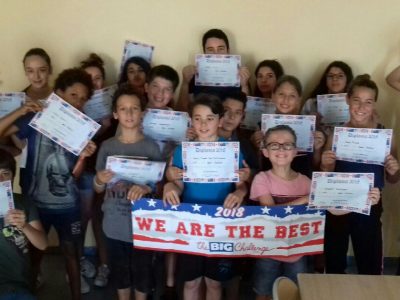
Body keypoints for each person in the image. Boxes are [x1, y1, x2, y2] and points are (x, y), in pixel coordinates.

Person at [0, 68, 97, 299]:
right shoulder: (37, 117)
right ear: (58, 93)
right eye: (73, 95)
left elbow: (74, 175)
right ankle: (29, 293)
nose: (78, 102)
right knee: (33, 256)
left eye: (83, 98)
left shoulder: (84, 128)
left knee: (72, 254)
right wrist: (21, 110)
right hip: (35, 203)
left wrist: (83, 157)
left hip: (68, 205)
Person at [164, 94, 247, 300]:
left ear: (220, 121)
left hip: (221, 224)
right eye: (198, 118)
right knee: (191, 282)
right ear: (191, 120)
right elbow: (179, 185)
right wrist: (170, 186)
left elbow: (242, 186)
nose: (203, 124)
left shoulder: (231, 151)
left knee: (214, 282)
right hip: (191, 224)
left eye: (210, 118)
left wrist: (239, 191)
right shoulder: (183, 150)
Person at [320, 74, 399, 275]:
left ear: (374, 105)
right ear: (347, 100)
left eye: (368, 102)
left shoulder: (384, 136)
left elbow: (392, 179)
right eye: (357, 100)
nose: (362, 107)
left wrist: (393, 170)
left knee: (370, 265)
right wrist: (325, 165)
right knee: (335, 263)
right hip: (338, 206)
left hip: (370, 206)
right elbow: (326, 177)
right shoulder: (336, 134)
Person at [94, 83, 162, 300]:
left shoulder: (151, 147)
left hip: (143, 225)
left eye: (134, 108)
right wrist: (98, 179)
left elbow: (158, 187)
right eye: (123, 108)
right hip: (114, 224)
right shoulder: (107, 147)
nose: (129, 113)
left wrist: (146, 187)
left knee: (143, 273)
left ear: (143, 112)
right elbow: (98, 188)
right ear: (115, 113)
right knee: (121, 274)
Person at [251, 75, 326, 178]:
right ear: (273, 96)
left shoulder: (309, 127)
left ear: (299, 100)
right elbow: (258, 167)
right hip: (270, 184)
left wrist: (317, 149)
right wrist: (256, 148)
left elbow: (315, 165)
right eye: (281, 94)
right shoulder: (262, 126)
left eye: (292, 96)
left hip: (302, 184)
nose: (286, 100)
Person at [79, 53, 110, 288]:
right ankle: (79, 262)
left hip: (109, 171)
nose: (94, 83)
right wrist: (99, 129)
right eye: (89, 79)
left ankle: (104, 264)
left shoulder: (112, 104)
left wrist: (110, 123)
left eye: (98, 78)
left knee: (101, 217)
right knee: (83, 216)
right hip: (85, 170)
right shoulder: (76, 106)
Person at [0, 149, 48, 300]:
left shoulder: (23, 202)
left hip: (18, 286)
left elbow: (42, 244)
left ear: (13, 177)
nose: (0, 179)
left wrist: (25, 225)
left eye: (5, 173)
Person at [176, 28, 250, 112]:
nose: (216, 54)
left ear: (228, 51)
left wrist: (245, 85)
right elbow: (183, 111)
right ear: (204, 53)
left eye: (220, 49)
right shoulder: (194, 76)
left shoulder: (240, 77)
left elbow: (245, 116)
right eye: (210, 50)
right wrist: (185, 83)